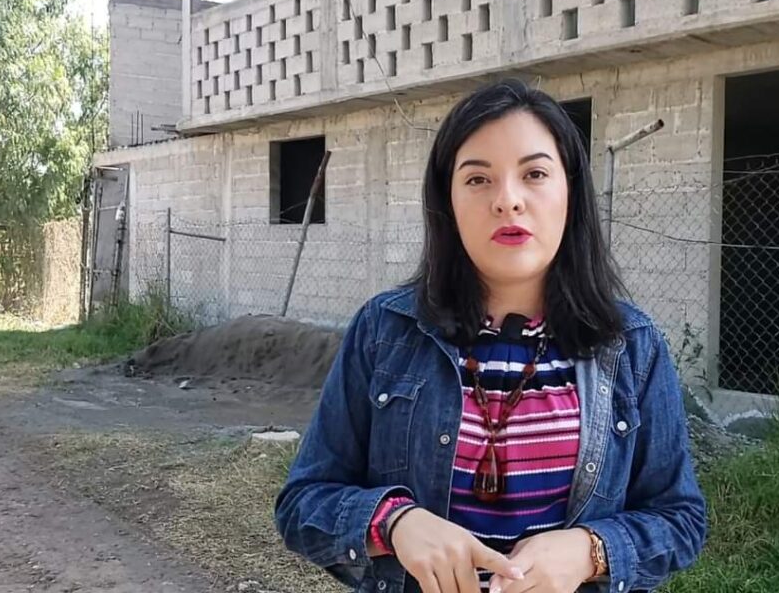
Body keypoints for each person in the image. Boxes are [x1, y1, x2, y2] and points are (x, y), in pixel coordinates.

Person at [275, 79, 707, 593]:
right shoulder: (385, 332)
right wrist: (394, 522)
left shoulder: (631, 345)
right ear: (448, 200)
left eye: (535, 174)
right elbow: (303, 503)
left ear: (570, 191)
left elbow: (679, 519)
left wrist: (590, 551)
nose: (508, 201)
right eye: (478, 179)